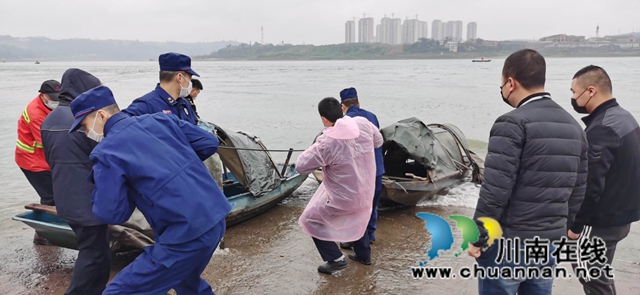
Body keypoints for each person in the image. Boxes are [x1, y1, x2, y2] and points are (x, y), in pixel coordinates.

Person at [69, 85, 231, 295]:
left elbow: (112, 213)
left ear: (101, 115)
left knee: (120, 291)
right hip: (216, 215)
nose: (85, 133)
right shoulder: (161, 119)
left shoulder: (107, 152)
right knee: (186, 281)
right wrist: (175, 162)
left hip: (185, 233)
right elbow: (208, 141)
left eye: (84, 125)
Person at [466, 49, 588, 295]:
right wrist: (564, 230)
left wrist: (478, 237)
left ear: (510, 83)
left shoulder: (511, 123)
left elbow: (495, 191)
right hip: (548, 244)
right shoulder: (574, 126)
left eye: (502, 84)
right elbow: (578, 189)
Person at [568, 65, 640, 295]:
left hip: (599, 219)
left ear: (590, 91)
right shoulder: (625, 118)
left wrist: (576, 226)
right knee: (599, 273)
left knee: (589, 274)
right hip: (622, 216)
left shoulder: (602, 128)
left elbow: (591, 184)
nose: (572, 97)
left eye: (573, 92)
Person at [40, 69, 110, 295]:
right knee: (94, 254)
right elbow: (103, 157)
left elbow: (50, 159)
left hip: (64, 197)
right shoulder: (83, 118)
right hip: (87, 200)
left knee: (95, 251)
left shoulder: (48, 119)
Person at [296, 97, 383, 274]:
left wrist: (318, 145)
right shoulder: (362, 123)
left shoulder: (326, 143)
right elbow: (379, 141)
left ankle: (335, 259)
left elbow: (301, 166)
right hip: (366, 187)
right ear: (341, 111)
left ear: (324, 119)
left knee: (310, 220)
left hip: (343, 197)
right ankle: (364, 255)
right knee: (359, 216)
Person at [338, 87, 384, 249]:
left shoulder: (344, 122)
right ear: (358, 102)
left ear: (342, 106)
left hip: (358, 172)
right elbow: (379, 140)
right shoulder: (372, 117)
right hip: (377, 169)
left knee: (354, 206)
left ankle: (354, 239)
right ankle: (370, 234)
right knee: (372, 203)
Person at [15, 79, 60, 245]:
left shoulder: (52, 106)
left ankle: (50, 230)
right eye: (53, 98)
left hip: (44, 159)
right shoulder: (35, 113)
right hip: (31, 161)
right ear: (43, 96)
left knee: (57, 193)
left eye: (58, 97)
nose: (56, 101)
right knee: (50, 196)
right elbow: (47, 143)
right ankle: (41, 234)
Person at [123, 52, 199, 124]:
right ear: (180, 78)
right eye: (189, 78)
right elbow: (120, 124)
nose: (190, 83)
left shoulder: (184, 103)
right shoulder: (146, 105)